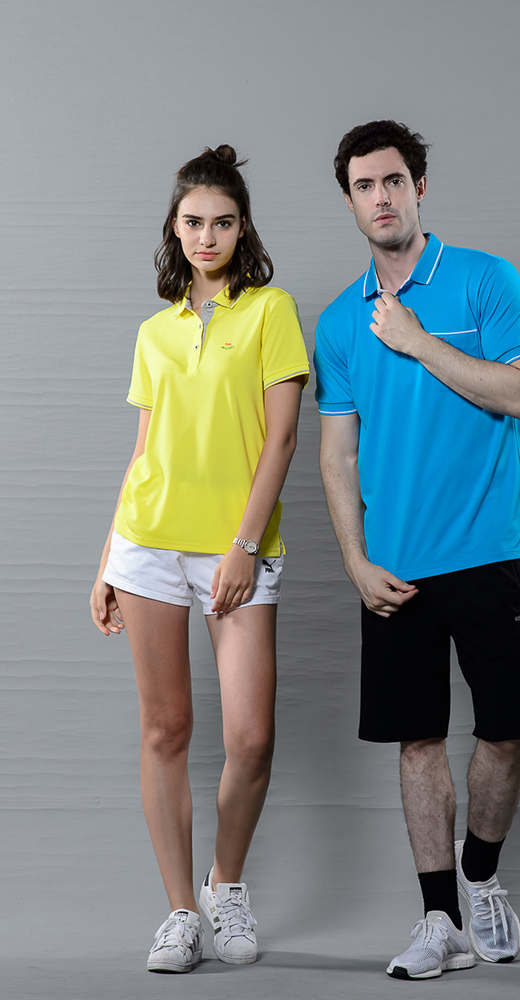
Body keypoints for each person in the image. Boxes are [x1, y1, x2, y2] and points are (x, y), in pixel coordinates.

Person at [314, 120, 520, 980]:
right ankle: (439, 919)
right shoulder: (338, 322)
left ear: (418, 188)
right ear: (349, 201)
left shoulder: (486, 279)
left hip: (489, 550)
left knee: (502, 736)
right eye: (363, 186)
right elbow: (337, 455)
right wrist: (354, 560)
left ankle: (480, 876)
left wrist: (416, 341)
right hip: (396, 565)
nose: (380, 198)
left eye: (392, 181)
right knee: (417, 743)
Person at [90, 145, 309, 973]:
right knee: (166, 729)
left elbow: (281, 440)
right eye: (193, 222)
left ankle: (226, 882)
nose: (206, 236)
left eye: (221, 222)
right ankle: (180, 911)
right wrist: (107, 561)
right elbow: (142, 453)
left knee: (251, 737)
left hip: (236, 548)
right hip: (148, 542)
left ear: (242, 227)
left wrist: (243, 547)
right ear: (174, 229)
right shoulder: (155, 331)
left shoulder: (272, 312)